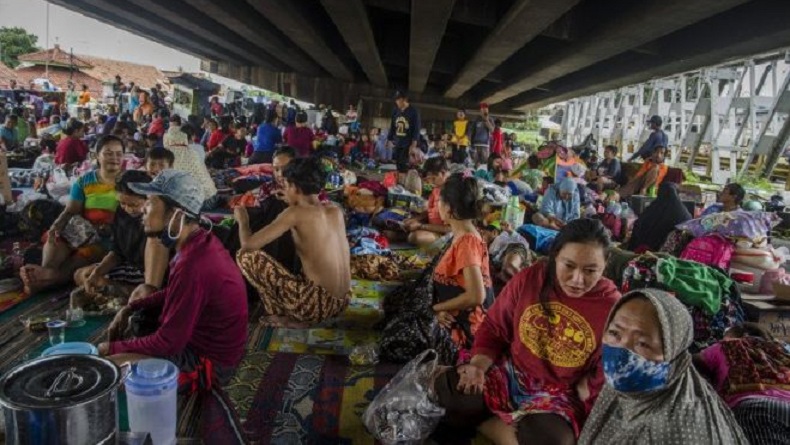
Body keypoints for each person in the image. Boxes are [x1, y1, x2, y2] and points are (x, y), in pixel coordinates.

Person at [435, 219, 620, 444]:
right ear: (555, 255)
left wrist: (587, 390)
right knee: (448, 391)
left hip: (557, 395)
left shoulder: (614, 309)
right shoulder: (531, 278)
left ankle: (482, 421)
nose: (577, 280)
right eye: (568, 266)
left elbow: (605, 375)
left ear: (606, 264)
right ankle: (505, 429)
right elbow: (494, 328)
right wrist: (477, 368)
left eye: (591, 270)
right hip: (509, 371)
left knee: (553, 440)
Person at [99, 170, 248, 386]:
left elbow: (168, 342)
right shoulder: (197, 243)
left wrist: (111, 348)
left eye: (150, 203)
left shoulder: (193, 264)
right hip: (197, 346)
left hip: (209, 365)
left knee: (110, 368)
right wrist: (131, 307)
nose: (143, 210)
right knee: (139, 322)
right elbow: (177, 293)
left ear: (176, 214)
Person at [579, 289, 748, 445]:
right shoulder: (628, 387)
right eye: (615, 333)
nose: (622, 352)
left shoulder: (676, 430)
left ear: (674, 354)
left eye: (642, 344)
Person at [236, 157, 351, 328]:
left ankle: (284, 315)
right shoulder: (335, 210)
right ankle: (302, 311)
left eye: (286, 185)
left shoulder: (294, 213)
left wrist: (242, 220)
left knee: (246, 257)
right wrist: (293, 201)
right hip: (342, 301)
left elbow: (247, 245)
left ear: (294, 187)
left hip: (316, 306)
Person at [20, 136, 125, 295]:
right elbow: (70, 211)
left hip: (108, 237)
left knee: (90, 251)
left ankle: (49, 278)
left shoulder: (128, 182)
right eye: (109, 153)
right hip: (82, 231)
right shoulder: (85, 181)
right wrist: (57, 225)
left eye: (119, 153)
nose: (115, 158)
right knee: (55, 235)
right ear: (97, 156)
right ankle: (46, 271)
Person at [693, 323, 790, 445]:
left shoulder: (727, 345)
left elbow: (692, 362)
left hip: (757, 411)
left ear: (736, 334)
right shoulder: (779, 349)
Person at [74, 171, 167, 293]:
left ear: (149, 200)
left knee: (99, 283)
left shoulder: (155, 220)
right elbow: (117, 252)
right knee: (82, 275)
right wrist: (96, 273)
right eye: (122, 203)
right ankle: (127, 293)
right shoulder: (121, 213)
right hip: (130, 267)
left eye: (134, 204)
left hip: (149, 273)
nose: (128, 209)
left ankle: (134, 295)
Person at [432, 172, 494, 349]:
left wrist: (437, 308)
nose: (437, 206)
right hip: (454, 317)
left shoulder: (467, 242)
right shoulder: (463, 234)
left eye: (439, 201)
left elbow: (476, 295)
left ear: (449, 208)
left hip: (467, 331)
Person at [626, 182, 691, 252]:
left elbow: (639, 223)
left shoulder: (655, 207)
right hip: (671, 250)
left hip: (649, 248)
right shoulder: (683, 211)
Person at [403, 158, 452, 247]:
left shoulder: (451, 192)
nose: (431, 183)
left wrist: (421, 226)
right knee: (392, 232)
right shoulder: (437, 188)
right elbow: (430, 211)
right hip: (430, 227)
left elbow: (450, 229)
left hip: (446, 234)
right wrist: (416, 219)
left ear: (443, 173)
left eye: (433, 178)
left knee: (414, 237)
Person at [387, 91, 421, 183]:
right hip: (397, 142)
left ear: (404, 100)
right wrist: (389, 139)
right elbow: (392, 126)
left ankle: (403, 184)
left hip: (407, 143)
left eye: (398, 100)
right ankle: (398, 182)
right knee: (398, 163)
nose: (396, 102)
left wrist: (413, 145)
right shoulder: (395, 111)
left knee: (403, 164)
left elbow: (416, 129)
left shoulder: (413, 112)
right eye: (396, 100)